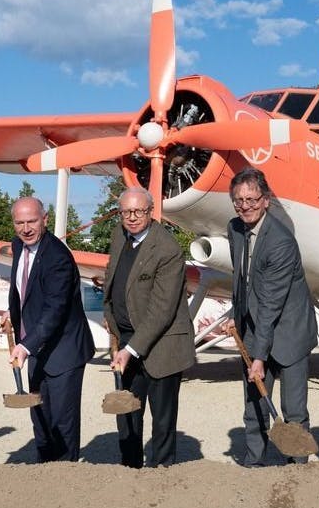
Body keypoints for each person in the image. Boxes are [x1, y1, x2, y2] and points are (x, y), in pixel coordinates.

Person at [224, 167, 317, 467]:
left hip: (290, 331)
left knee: (293, 410)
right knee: (254, 405)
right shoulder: (235, 228)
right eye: (239, 200)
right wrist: (235, 316)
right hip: (253, 327)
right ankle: (254, 462)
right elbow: (242, 280)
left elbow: (271, 304)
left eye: (252, 199)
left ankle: (296, 465)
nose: (245, 206)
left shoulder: (280, 241)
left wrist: (259, 357)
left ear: (266, 200)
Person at [102, 187, 195, 468]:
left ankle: (161, 475)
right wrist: (111, 315)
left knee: (163, 420)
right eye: (125, 212)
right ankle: (130, 468)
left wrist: (130, 349)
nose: (131, 218)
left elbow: (161, 311)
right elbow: (112, 279)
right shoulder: (120, 235)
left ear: (151, 212)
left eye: (138, 211)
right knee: (126, 412)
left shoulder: (167, 249)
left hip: (163, 345)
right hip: (128, 339)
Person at [6, 197, 94, 462]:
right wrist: (12, 316)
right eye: (19, 223)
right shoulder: (19, 246)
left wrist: (25, 345)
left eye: (32, 221)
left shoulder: (58, 258)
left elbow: (55, 309)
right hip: (39, 347)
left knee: (62, 423)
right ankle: (44, 473)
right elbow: (28, 293)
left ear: (45, 219)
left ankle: (65, 478)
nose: (26, 228)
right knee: (41, 417)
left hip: (64, 351)